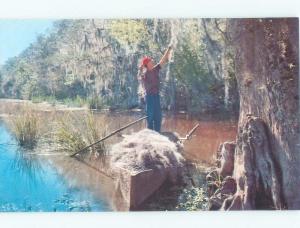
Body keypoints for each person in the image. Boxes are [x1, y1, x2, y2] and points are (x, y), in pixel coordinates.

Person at [138, 45, 173, 132]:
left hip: (156, 96)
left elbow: (163, 60)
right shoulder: (145, 74)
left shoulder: (156, 69)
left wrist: (168, 50)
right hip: (149, 97)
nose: (152, 61)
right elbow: (139, 75)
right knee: (150, 116)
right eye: (150, 61)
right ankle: (150, 134)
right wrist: (141, 67)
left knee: (158, 116)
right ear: (147, 64)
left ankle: (157, 133)